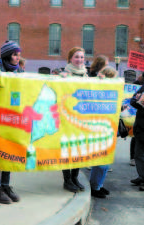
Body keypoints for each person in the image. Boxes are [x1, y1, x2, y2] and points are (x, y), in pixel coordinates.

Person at [0, 40, 23, 204]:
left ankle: (6, 185)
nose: (18, 57)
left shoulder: (20, 72)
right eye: (15, 54)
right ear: (8, 55)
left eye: (18, 54)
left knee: (10, 152)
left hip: (12, 119)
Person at [60, 47, 87, 192]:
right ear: (70, 59)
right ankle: (67, 180)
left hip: (81, 118)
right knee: (67, 149)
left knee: (78, 150)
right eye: (77, 57)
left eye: (82, 57)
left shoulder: (86, 75)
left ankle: (75, 177)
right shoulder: (64, 74)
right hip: (67, 117)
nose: (80, 60)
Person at [90, 66, 117, 198]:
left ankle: (98, 184)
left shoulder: (112, 91)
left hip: (107, 129)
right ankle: (95, 186)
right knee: (101, 162)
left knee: (105, 162)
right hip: (98, 129)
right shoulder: (96, 90)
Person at [130, 72, 144, 166]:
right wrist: (138, 99)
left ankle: (143, 157)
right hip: (139, 116)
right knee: (136, 137)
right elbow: (133, 100)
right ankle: (133, 157)